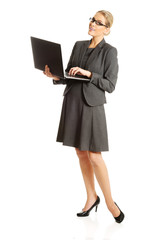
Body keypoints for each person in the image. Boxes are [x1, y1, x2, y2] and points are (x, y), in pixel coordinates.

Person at [43, 10, 125, 223]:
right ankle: (91, 197)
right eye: (92, 20)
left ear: (107, 29)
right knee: (80, 153)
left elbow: (110, 85)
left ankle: (109, 202)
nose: (93, 24)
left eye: (99, 23)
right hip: (73, 101)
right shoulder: (79, 45)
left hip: (92, 106)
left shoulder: (110, 51)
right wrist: (56, 76)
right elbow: (71, 74)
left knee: (95, 156)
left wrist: (90, 74)